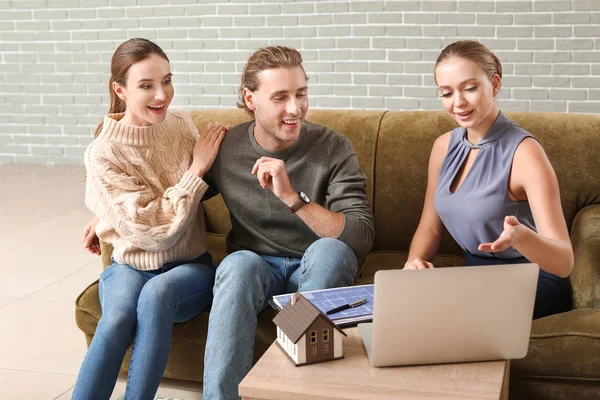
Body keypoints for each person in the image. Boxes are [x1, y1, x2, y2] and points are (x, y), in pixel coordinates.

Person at [201, 46, 374, 399]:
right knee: (237, 265)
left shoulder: (332, 147)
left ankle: (296, 390)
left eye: (301, 93)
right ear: (250, 99)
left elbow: (360, 237)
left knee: (330, 252)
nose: (295, 108)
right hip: (256, 271)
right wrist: (109, 211)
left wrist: (293, 199)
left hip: (312, 269)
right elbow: (173, 195)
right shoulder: (225, 149)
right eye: (280, 97)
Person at [73, 38, 227, 400]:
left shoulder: (179, 123)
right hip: (130, 265)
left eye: (167, 81)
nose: (162, 94)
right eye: (146, 86)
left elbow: (182, 204)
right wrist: (196, 169)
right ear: (120, 90)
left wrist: (106, 217)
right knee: (115, 320)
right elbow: (153, 231)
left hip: (189, 265)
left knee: (157, 295)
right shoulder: (103, 151)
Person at [404, 40, 572, 319]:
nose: (458, 102)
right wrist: (414, 264)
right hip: (479, 280)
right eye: (446, 92)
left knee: (445, 315)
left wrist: (522, 238)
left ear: (494, 84)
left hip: (532, 279)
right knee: (407, 305)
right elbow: (430, 228)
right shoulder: (443, 147)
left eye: (470, 88)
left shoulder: (525, 153)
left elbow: (564, 262)